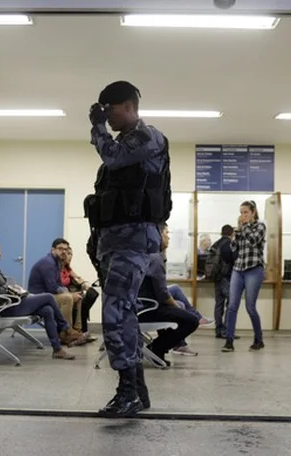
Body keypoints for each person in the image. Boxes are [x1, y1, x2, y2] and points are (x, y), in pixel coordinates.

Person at [83, 80, 171, 418]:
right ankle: (138, 390)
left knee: (116, 314)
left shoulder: (148, 137)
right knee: (125, 315)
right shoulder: (125, 142)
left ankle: (127, 392)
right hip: (115, 242)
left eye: (110, 110)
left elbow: (113, 156)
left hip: (132, 241)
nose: (107, 117)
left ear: (128, 106)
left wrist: (96, 127)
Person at [0, 238, 83, 358]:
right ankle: (66, 329)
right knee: (48, 297)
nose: (0, 253)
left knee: (47, 310)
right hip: (7, 307)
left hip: (14, 302)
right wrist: (13, 292)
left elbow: (3, 287)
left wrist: (17, 290)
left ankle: (57, 349)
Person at [138, 224, 200, 370]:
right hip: (148, 310)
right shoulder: (155, 259)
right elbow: (163, 295)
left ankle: (158, 352)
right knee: (191, 320)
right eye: (166, 233)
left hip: (141, 307)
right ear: (157, 236)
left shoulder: (147, 255)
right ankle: (157, 347)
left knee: (178, 309)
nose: (169, 237)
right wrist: (176, 306)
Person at [222, 200, 266, 352]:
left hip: (254, 269)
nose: (243, 215)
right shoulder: (241, 228)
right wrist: (237, 233)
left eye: (246, 212)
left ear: (253, 212)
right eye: (241, 213)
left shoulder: (260, 226)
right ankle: (229, 340)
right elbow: (233, 248)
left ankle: (258, 339)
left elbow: (254, 241)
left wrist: (245, 227)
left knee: (250, 307)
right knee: (232, 305)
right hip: (238, 268)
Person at [28, 238, 84, 333]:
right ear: (52, 250)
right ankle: (66, 332)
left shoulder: (56, 263)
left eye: (66, 249)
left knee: (78, 297)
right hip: (38, 298)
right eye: (60, 249)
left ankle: (77, 330)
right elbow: (52, 287)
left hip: (47, 296)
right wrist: (70, 295)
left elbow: (58, 284)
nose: (64, 252)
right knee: (67, 298)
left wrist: (69, 293)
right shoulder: (48, 263)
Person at [60, 246, 99, 342]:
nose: (70, 257)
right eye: (68, 254)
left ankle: (81, 331)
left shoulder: (68, 268)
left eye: (71, 254)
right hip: (62, 295)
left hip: (70, 292)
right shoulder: (57, 268)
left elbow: (77, 277)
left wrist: (84, 283)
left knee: (92, 294)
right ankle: (79, 331)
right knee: (81, 300)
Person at [208, 224, 236, 339]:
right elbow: (233, 260)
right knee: (231, 304)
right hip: (227, 277)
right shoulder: (230, 244)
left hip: (217, 278)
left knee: (219, 304)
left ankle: (218, 330)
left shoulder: (215, 244)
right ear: (231, 233)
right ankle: (226, 331)